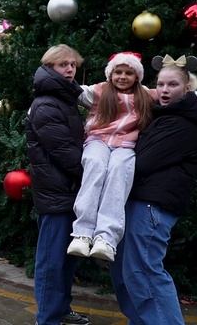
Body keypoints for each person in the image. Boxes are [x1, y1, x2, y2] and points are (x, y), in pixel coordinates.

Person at [110, 55, 197, 324]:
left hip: (152, 207)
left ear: (187, 89)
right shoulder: (164, 115)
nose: (165, 91)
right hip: (140, 203)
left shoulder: (183, 123)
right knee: (125, 272)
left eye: (173, 85)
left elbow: (141, 161)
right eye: (161, 84)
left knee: (144, 272)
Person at [67, 52, 155, 262]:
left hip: (125, 145)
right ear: (110, 74)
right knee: (95, 166)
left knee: (119, 173)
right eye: (118, 72)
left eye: (128, 73)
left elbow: (172, 93)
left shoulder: (144, 95)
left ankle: (106, 238)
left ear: (137, 76)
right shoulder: (100, 90)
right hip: (98, 141)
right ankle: (82, 233)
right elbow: (73, 90)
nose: (122, 77)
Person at [26, 44, 90, 325]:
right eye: (63, 64)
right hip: (56, 195)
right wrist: (95, 174)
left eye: (73, 65)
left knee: (66, 261)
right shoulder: (46, 105)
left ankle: (61, 311)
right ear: (49, 67)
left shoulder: (64, 100)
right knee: (51, 263)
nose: (69, 69)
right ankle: (48, 319)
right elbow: (65, 151)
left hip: (69, 192)